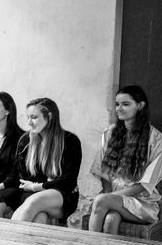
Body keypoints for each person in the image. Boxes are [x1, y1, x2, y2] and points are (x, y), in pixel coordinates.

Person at [88, 85, 162, 234]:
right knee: (111, 219)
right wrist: (108, 195)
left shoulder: (156, 140)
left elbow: (144, 184)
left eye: (125, 104)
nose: (119, 108)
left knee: (101, 200)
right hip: (116, 200)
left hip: (143, 203)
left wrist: (107, 197)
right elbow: (104, 172)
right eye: (117, 104)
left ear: (140, 106)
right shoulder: (110, 133)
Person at [10, 98, 82, 224]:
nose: (29, 123)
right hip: (30, 193)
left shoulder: (70, 141)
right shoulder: (25, 141)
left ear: (49, 117)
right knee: (40, 217)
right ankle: (21, 243)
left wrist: (36, 186)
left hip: (62, 196)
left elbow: (68, 180)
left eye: (34, 117)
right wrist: (46, 183)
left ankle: (8, 241)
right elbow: (23, 177)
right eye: (28, 117)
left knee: (35, 201)